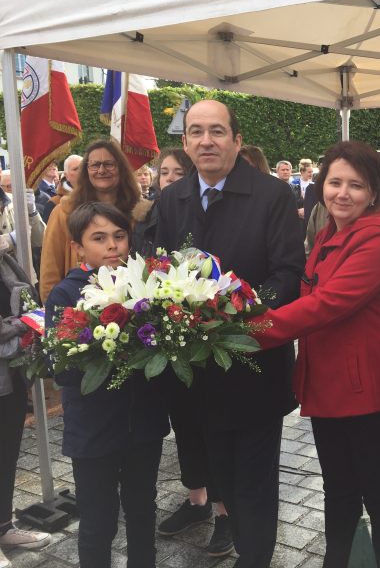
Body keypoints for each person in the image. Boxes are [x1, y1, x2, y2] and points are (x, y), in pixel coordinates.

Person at [252, 140, 380, 568]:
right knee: (339, 491)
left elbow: (328, 304)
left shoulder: (377, 238)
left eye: (356, 186)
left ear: (374, 192)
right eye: (335, 182)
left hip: (372, 390)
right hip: (332, 384)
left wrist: (250, 330)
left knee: (379, 497)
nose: (342, 193)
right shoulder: (331, 231)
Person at [154, 99, 304, 568]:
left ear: (237, 140)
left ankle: (256, 557)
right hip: (198, 372)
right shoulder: (170, 199)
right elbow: (155, 270)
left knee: (254, 477)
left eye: (217, 131)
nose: (206, 141)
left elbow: (287, 273)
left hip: (254, 364)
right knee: (219, 473)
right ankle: (239, 536)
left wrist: (234, 318)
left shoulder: (272, 196)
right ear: (185, 142)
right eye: (196, 132)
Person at [45, 202, 169, 568]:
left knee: (143, 510)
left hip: (143, 424)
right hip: (93, 430)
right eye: (98, 238)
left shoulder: (146, 287)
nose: (112, 246)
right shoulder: (66, 295)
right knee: (98, 520)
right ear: (78, 247)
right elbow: (62, 369)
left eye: (119, 236)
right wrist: (103, 352)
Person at [132, 147, 234, 556]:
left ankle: (226, 511)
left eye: (178, 172)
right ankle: (198, 501)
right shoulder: (149, 217)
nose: (169, 179)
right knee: (185, 424)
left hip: (206, 334)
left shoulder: (206, 212)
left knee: (213, 428)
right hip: (167, 338)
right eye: (164, 172)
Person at [39, 140, 151, 302]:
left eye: (109, 164)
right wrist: (55, 312)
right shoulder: (64, 212)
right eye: (95, 165)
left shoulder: (140, 212)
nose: (101, 170)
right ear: (86, 171)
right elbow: (50, 270)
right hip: (77, 309)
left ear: (121, 168)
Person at [0, 254, 51, 568]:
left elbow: (28, 300)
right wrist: (22, 330)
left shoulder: (4, 258)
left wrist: (26, 326)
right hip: (10, 360)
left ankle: (4, 527)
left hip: (11, 376)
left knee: (7, 455)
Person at [42, 155, 81, 223]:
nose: (81, 172)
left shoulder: (99, 196)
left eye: (84, 168)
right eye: (75, 169)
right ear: (66, 175)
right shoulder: (54, 203)